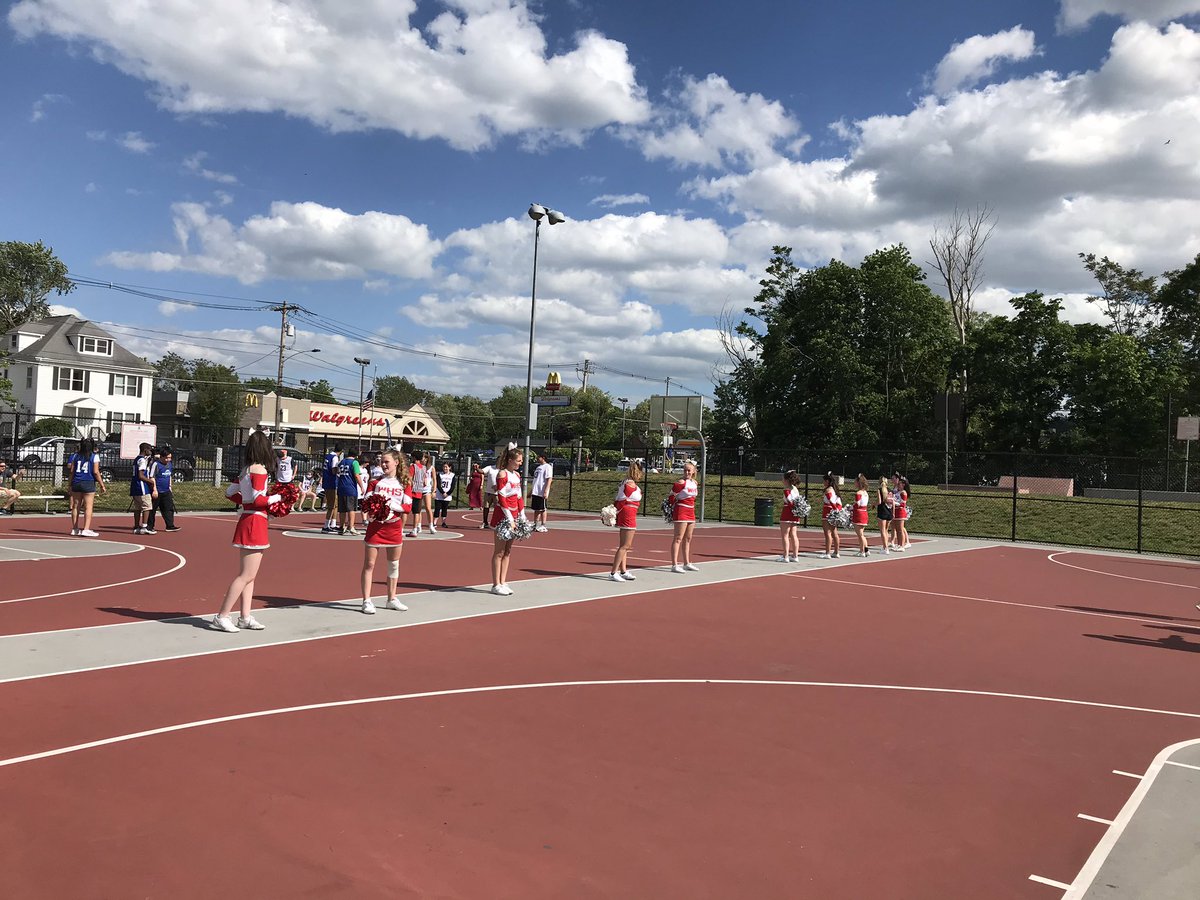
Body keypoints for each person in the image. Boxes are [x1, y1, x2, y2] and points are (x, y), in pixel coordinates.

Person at [212, 431, 280, 633]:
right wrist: (277, 499)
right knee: (245, 575)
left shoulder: (245, 470)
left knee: (250, 575)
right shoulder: (260, 470)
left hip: (248, 519)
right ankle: (222, 615)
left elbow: (229, 493)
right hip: (254, 523)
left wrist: (247, 503)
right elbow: (260, 500)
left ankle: (245, 616)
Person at [359, 448, 413, 615]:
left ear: (396, 462)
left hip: (394, 527)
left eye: (386, 461)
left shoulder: (405, 483)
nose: (383, 464)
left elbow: (408, 507)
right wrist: (370, 513)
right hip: (376, 527)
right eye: (381, 461)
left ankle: (391, 598)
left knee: (393, 565)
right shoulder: (375, 483)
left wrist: (391, 505)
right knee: (369, 564)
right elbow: (366, 502)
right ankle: (366, 600)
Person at [489, 445, 526, 595]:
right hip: (502, 517)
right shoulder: (502, 474)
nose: (520, 463)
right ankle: (495, 584)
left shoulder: (516, 476)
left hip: (515, 516)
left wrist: (522, 515)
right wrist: (510, 518)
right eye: (518, 460)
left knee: (508, 551)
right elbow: (502, 497)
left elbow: (518, 496)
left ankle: (503, 582)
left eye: (521, 461)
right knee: (499, 551)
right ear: (510, 460)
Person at [609, 460, 643, 581]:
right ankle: (613, 572)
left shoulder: (627, 483)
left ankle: (623, 570)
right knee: (626, 545)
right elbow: (622, 500)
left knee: (624, 546)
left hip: (629, 514)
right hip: (628, 514)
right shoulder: (629, 484)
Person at [65, 439, 105, 536]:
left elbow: (72, 472)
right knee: (88, 507)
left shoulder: (75, 456)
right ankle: (86, 529)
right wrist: (101, 484)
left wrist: (69, 484)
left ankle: (75, 528)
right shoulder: (94, 456)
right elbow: (95, 472)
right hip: (88, 482)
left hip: (76, 482)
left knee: (75, 506)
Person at [667, 460, 700, 573]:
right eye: (685, 470)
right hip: (681, 510)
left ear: (694, 471)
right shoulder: (681, 483)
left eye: (689, 470)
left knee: (688, 538)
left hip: (691, 511)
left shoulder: (694, 483)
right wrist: (674, 505)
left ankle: (686, 563)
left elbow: (693, 498)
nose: (687, 472)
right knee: (678, 538)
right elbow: (671, 497)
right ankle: (674, 564)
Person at [148, 448, 180, 532]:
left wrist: (170, 487)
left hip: (166, 491)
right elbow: (152, 477)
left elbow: (169, 476)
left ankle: (170, 525)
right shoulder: (156, 464)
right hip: (157, 490)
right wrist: (154, 489)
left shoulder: (169, 464)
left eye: (169, 458)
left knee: (168, 508)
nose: (168, 460)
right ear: (161, 457)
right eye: (166, 458)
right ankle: (150, 526)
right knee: (152, 509)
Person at [129, 441, 158, 535]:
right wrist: (150, 481)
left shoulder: (136, 459)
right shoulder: (142, 460)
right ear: (145, 450)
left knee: (137, 507)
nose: (150, 451)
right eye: (149, 450)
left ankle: (136, 526)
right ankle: (144, 526)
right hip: (141, 486)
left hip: (135, 486)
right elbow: (141, 475)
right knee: (147, 506)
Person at [776, 469, 803, 562]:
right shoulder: (795, 489)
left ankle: (785, 556)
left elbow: (790, 501)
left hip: (788, 511)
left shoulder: (787, 489)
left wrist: (792, 508)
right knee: (794, 534)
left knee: (785, 535)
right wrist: (797, 511)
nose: (782, 480)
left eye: (783, 478)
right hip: (795, 513)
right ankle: (795, 556)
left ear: (787, 480)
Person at [336, 448, 364, 535]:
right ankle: (351, 526)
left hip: (341, 487)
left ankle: (341, 526)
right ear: (356, 455)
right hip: (350, 488)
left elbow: (337, 472)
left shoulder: (342, 462)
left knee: (342, 509)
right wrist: (361, 486)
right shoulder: (354, 463)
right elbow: (356, 475)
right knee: (351, 508)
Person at [819, 472, 842, 559]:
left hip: (828, 512)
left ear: (828, 481)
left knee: (827, 533)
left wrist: (834, 510)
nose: (823, 482)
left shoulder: (829, 490)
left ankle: (827, 553)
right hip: (833, 512)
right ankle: (836, 552)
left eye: (824, 481)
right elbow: (838, 503)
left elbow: (832, 501)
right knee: (834, 533)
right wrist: (837, 510)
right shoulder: (835, 490)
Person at [530, 452, 554, 532]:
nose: (537, 458)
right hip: (536, 492)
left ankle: (543, 525)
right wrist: (531, 491)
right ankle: (535, 524)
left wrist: (546, 491)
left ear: (543, 457)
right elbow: (535, 480)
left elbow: (549, 479)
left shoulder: (547, 467)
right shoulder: (538, 467)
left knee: (543, 509)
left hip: (542, 491)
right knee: (536, 509)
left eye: (538, 457)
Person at [321, 444, 342, 533]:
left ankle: (333, 523)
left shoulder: (328, 456)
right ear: (341, 452)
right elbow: (333, 470)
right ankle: (326, 525)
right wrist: (339, 470)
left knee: (335, 504)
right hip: (331, 482)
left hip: (327, 481)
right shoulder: (334, 457)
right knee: (331, 505)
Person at [850, 473, 870, 556]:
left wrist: (850, 507)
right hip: (864, 512)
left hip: (859, 513)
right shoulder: (865, 492)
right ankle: (866, 550)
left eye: (855, 482)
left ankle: (862, 551)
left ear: (858, 482)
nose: (854, 483)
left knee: (860, 534)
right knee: (862, 534)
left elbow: (857, 504)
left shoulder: (858, 493)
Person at [434, 461, 456, 529]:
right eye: (444, 467)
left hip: (447, 495)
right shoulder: (440, 474)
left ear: (450, 467)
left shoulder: (452, 475)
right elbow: (438, 484)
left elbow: (452, 486)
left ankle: (443, 522)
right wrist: (442, 492)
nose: (445, 468)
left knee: (444, 509)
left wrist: (447, 493)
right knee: (437, 508)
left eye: (446, 467)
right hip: (439, 494)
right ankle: (434, 522)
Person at [893, 473, 911, 551]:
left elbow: (903, 503)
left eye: (900, 484)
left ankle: (902, 545)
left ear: (903, 484)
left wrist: (894, 503)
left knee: (900, 530)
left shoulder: (903, 492)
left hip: (900, 512)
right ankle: (899, 544)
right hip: (896, 511)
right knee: (897, 530)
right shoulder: (898, 492)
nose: (898, 485)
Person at [419, 452, 436, 533]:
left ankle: (431, 525)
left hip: (427, 490)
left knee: (428, 508)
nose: (422, 459)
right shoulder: (418, 467)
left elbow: (435, 480)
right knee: (418, 509)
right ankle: (418, 525)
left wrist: (434, 490)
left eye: (423, 458)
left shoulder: (431, 468)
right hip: (419, 489)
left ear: (426, 459)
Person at [480, 459, 499, 530]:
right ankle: (485, 522)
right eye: (499, 460)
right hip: (489, 492)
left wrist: (498, 487)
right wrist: (477, 468)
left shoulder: (503, 470)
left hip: (497, 493)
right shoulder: (490, 468)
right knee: (486, 507)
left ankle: (497, 522)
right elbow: (482, 471)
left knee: (497, 508)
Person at [877, 476, 894, 554]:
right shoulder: (891, 491)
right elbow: (893, 502)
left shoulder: (880, 490)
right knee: (886, 530)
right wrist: (893, 513)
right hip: (889, 511)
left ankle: (885, 548)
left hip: (882, 511)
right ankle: (886, 546)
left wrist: (873, 504)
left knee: (883, 530)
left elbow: (879, 502)